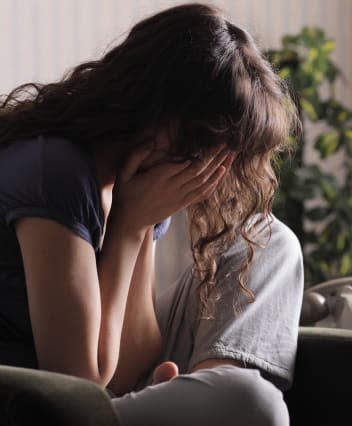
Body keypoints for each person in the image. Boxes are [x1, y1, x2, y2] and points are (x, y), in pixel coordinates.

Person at [0, 3, 302, 425]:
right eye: (206, 144)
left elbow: (129, 370)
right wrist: (127, 227)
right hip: (45, 408)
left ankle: (208, 389)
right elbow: (75, 388)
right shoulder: (55, 169)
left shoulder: (131, 178)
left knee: (270, 237)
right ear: (157, 106)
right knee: (255, 403)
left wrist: (140, 225)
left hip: (109, 397)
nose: (209, 170)